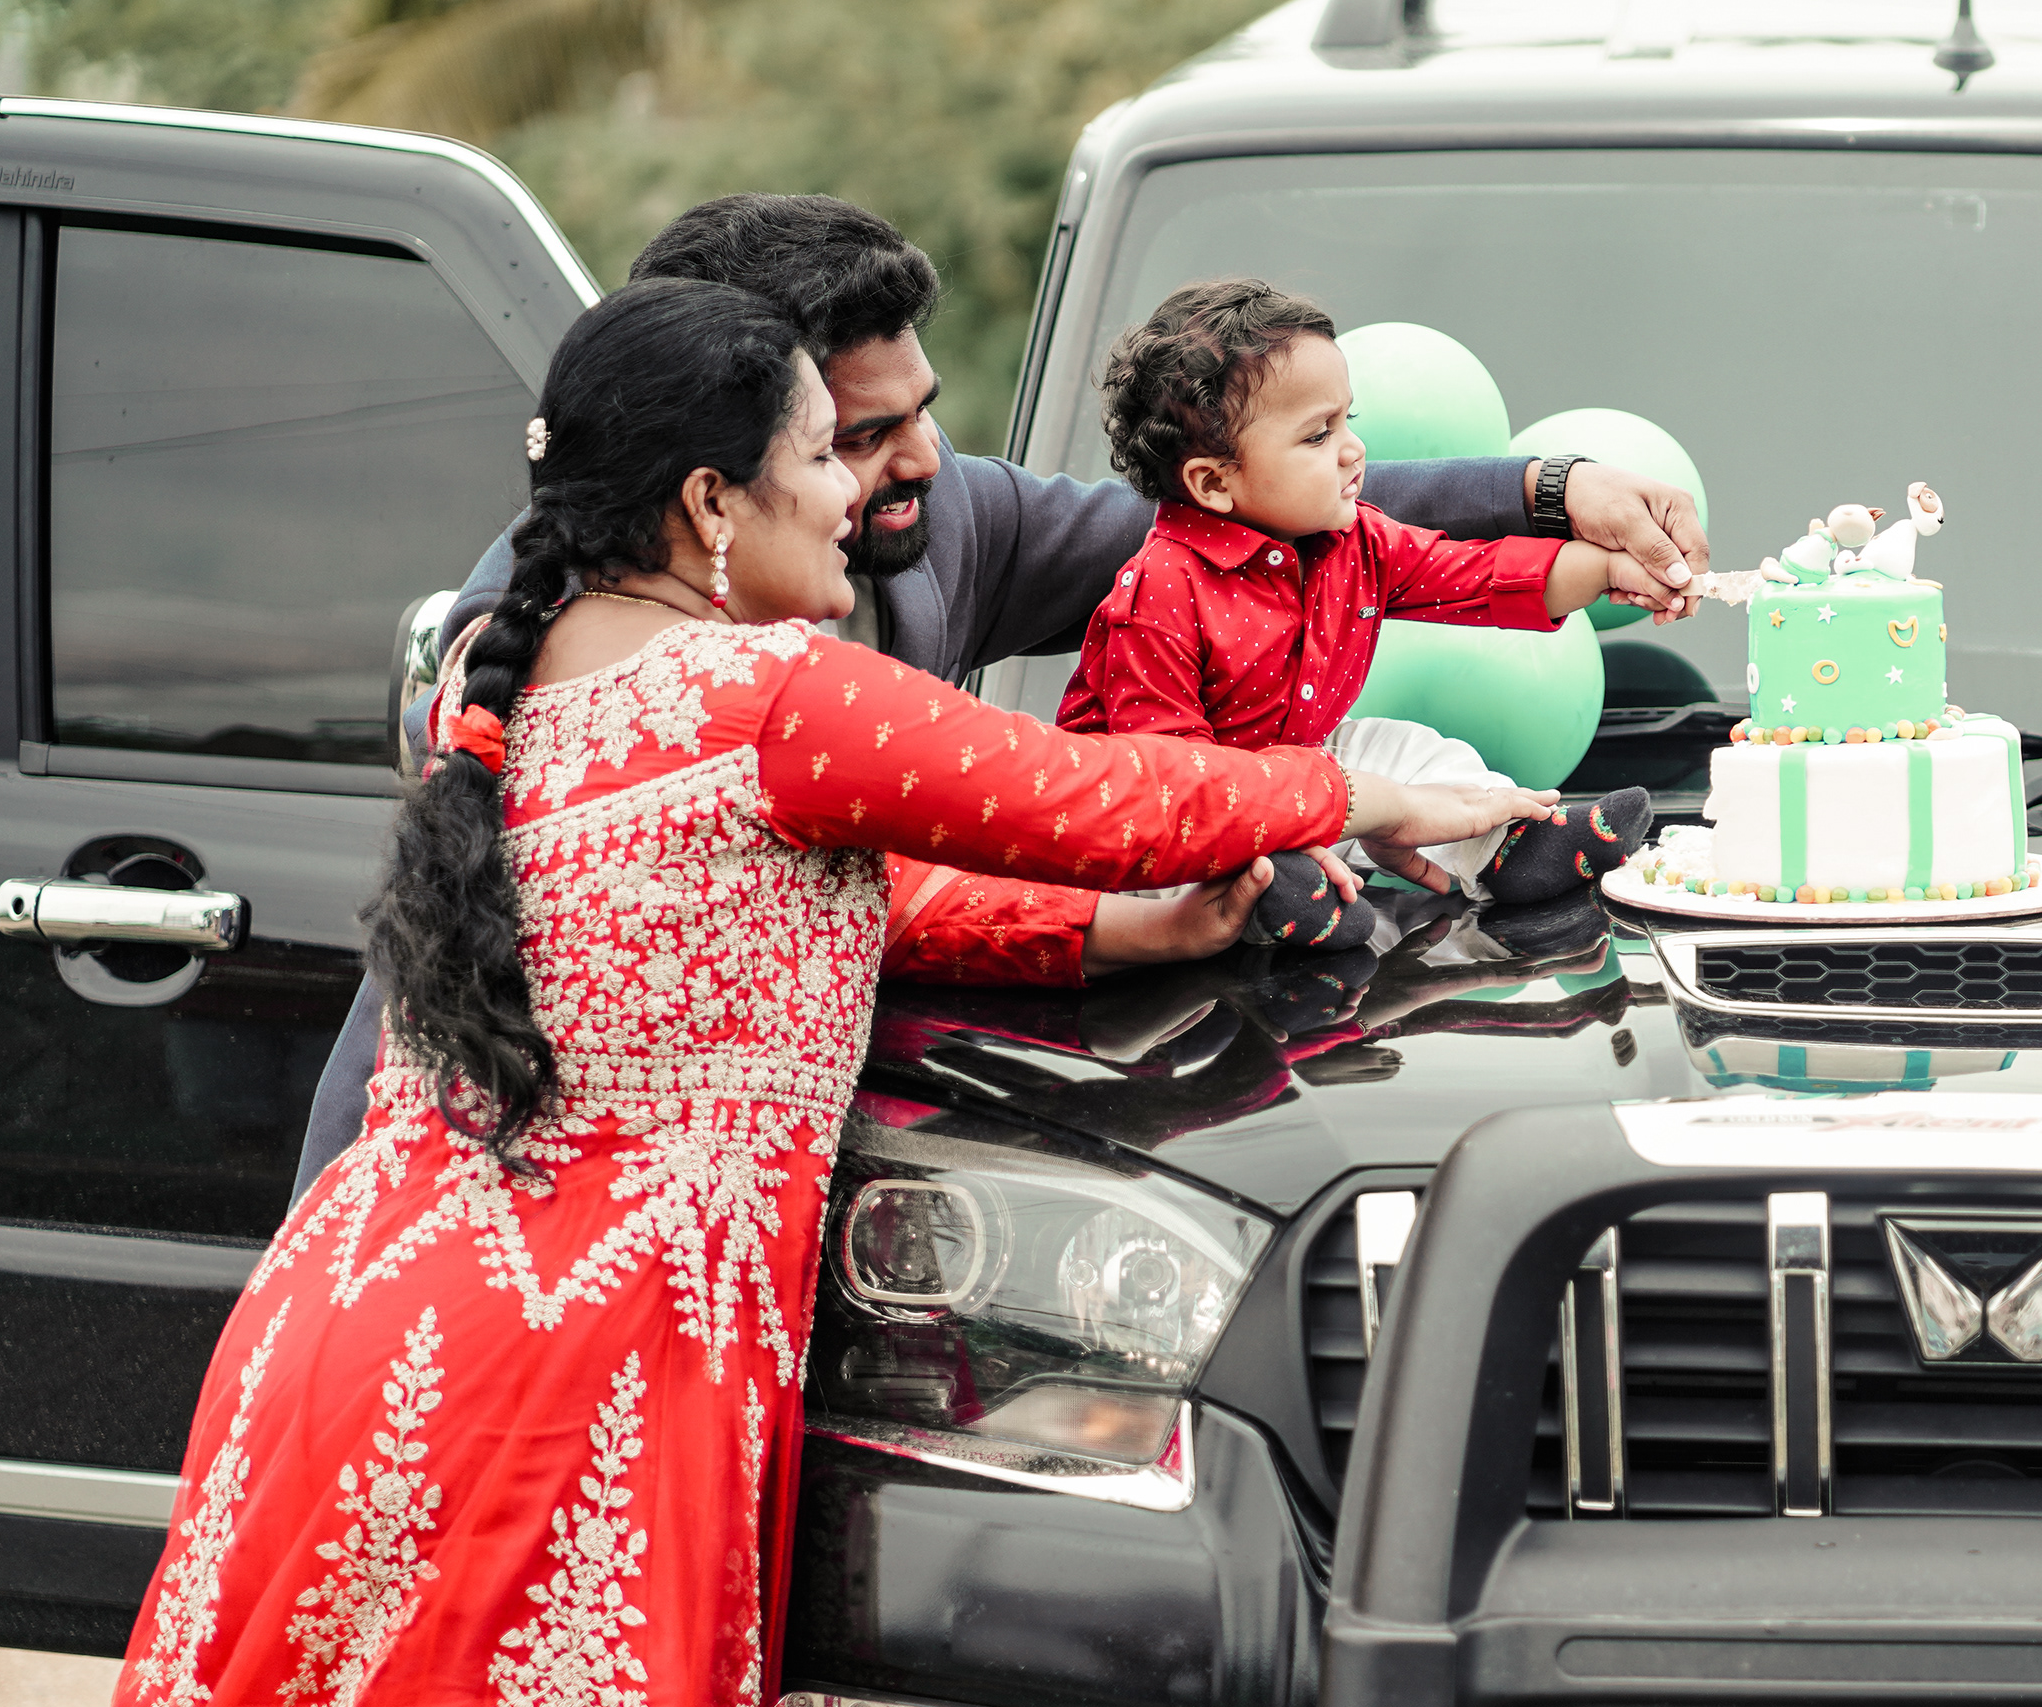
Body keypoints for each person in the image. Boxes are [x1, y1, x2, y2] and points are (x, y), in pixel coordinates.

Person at [37, 280, 1543, 1707]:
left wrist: (1119, 938)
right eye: (825, 455)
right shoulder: (770, 694)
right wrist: (1372, 790)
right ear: (711, 500)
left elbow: (858, 903)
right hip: (572, 1370)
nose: (863, 494)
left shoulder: (542, 683)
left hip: (375, 1330)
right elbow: (1091, 793)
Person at [288, 194, 1709, 1199]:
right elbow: (1079, 801)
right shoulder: (576, 642)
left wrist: (1543, 493)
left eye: (923, 410)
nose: (917, 460)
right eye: (854, 438)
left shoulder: (942, 521)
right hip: (511, 1190)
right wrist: (1352, 797)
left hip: (743, 1218)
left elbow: (1252, 501)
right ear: (727, 460)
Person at [1064, 279, 1664, 948]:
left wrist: (1610, 570)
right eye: (1318, 435)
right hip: (1158, 817)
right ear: (1213, 482)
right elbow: (1170, 774)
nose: (1353, 449)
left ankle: (1510, 847)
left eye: (1348, 419)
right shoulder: (1160, 589)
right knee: (1166, 855)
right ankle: (1277, 890)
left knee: (1405, 750)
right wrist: (1274, 826)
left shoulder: (1354, 539)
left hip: (1301, 773)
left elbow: (1479, 576)